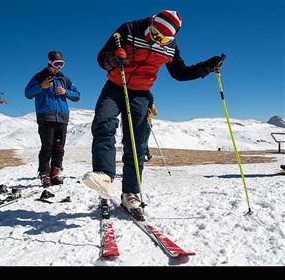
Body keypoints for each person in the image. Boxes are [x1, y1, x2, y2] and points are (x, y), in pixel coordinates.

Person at [82, 10, 223, 216]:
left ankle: (131, 192)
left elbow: (180, 73)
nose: (157, 40)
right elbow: (101, 57)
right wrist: (113, 59)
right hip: (114, 86)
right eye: (155, 33)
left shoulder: (170, 47)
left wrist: (207, 67)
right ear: (151, 23)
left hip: (140, 94)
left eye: (163, 38)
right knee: (104, 123)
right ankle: (104, 175)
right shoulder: (129, 30)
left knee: (137, 142)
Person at [25, 51, 80, 187]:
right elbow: (27, 93)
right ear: (49, 63)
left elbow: (77, 95)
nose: (59, 67)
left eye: (61, 64)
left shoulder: (64, 79)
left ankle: (55, 172)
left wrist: (65, 92)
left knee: (59, 147)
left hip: (62, 118)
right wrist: (41, 87)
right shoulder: (39, 77)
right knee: (47, 147)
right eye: (56, 64)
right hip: (46, 117)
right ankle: (44, 173)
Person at [145, 95, 157, 162]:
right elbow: (155, 113)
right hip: (148, 124)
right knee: (145, 140)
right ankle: (147, 154)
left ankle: (146, 154)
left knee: (140, 140)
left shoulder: (139, 102)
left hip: (139, 124)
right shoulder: (151, 104)